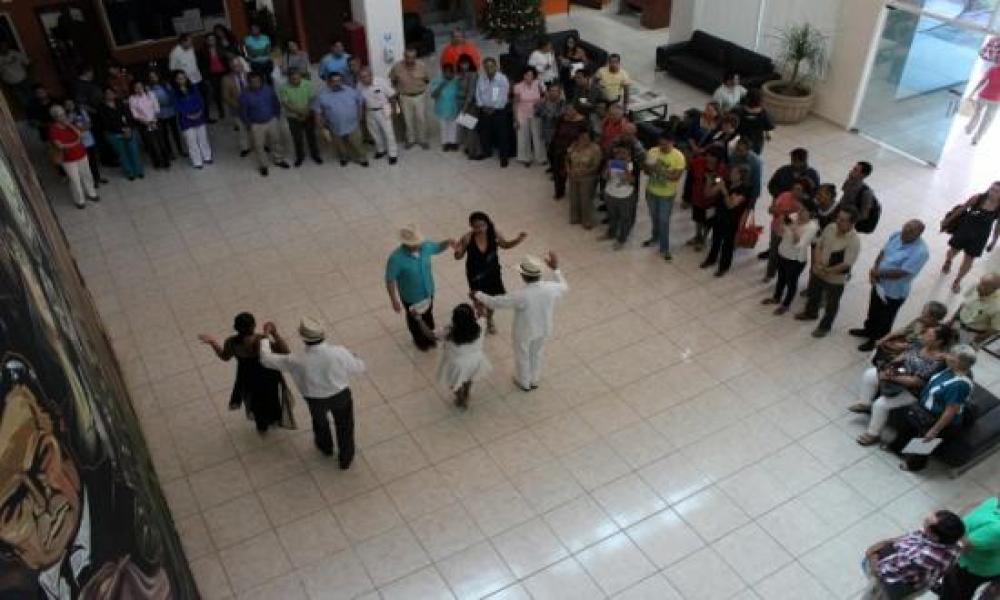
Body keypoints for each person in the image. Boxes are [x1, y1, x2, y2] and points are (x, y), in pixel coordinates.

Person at [259, 318, 364, 469]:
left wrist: (266, 336)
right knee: (345, 426)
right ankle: (346, 458)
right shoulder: (339, 352)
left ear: (303, 338)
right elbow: (359, 367)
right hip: (341, 396)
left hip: (315, 400)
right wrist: (355, 356)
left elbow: (266, 359)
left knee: (320, 423)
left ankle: (325, 447)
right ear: (323, 334)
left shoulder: (296, 359)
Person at [474, 252, 568, 392]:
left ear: (523, 276)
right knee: (537, 354)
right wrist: (556, 269)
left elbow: (496, 302)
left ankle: (523, 382)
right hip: (544, 328)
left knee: (522, 355)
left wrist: (478, 295)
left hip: (524, 331)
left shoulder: (521, 295)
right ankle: (534, 380)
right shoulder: (550, 288)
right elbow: (564, 286)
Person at [849, 324, 952, 446]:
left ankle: (873, 434)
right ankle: (865, 403)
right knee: (870, 374)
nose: (924, 336)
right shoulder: (919, 344)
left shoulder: (938, 361)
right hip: (899, 375)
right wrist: (890, 367)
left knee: (880, 404)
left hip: (912, 390)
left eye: (929, 335)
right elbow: (903, 356)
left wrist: (891, 377)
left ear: (939, 342)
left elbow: (916, 382)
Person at [197, 312, 293, 433]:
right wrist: (273, 333)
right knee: (271, 396)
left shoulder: (231, 342)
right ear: (253, 326)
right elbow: (286, 352)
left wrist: (213, 342)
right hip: (268, 375)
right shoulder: (261, 340)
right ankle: (274, 417)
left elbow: (224, 357)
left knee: (255, 400)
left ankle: (261, 424)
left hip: (247, 376)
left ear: (236, 328)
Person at [887, 346, 976, 471]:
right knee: (908, 427)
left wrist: (935, 430)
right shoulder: (950, 368)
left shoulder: (960, 385)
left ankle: (913, 465)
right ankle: (897, 448)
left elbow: (950, 410)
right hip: (923, 408)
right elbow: (944, 357)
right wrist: (943, 356)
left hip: (938, 418)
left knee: (925, 440)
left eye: (951, 356)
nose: (947, 356)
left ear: (959, 362)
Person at [849, 220, 930, 352]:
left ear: (918, 234)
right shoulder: (897, 235)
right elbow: (883, 252)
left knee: (884, 319)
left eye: (910, 231)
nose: (905, 233)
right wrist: (875, 268)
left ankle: (876, 341)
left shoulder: (921, 252)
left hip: (894, 292)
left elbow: (901, 273)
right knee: (873, 309)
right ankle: (868, 330)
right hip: (879, 283)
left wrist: (877, 273)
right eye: (905, 228)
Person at [861, 511, 966, 600]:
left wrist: (872, 553)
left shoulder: (923, 558)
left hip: (894, 582)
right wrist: (888, 542)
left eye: (927, 522)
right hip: (916, 575)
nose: (924, 520)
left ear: (934, 536)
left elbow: (882, 571)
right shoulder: (951, 542)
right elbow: (910, 537)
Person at [453, 211, 527, 334]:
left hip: (493, 272)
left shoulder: (494, 233)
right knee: (478, 299)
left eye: (482, 225)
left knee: (492, 299)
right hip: (475, 275)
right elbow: (458, 257)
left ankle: (490, 319)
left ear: (487, 223)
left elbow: (505, 245)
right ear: (471, 226)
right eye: (476, 226)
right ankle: (481, 320)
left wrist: (518, 240)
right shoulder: (467, 238)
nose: (480, 229)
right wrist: (457, 250)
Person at [385, 225, 456, 351]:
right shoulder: (395, 259)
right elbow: (390, 280)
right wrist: (394, 300)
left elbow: (437, 247)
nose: (418, 245)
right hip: (411, 296)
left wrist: (448, 242)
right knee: (415, 320)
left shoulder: (426, 246)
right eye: (413, 243)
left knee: (428, 314)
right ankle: (419, 340)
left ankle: (430, 336)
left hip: (428, 291)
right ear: (405, 243)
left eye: (418, 242)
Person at [795, 206, 862, 337]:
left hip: (835, 279)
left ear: (852, 223)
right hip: (818, 271)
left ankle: (824, 327)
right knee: (813, 294)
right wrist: (817, 263)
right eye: (838, 218)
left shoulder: (854, 241)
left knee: (831, 304)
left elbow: (846, 264)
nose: (838, 221)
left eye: (843, 220)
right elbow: (819, 245)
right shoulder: (831, 227)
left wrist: (827, 270)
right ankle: (810, 313)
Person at [412, 304, 492, 408]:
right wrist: (479, 303)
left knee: (456, 382)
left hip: (457, 364)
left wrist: (418, 318)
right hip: (475, 360)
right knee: (469, 377)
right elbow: (483, 314)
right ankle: (466, 394)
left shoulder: (449, 332)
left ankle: (460, 399)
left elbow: (430, 335)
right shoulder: (480, 325)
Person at [938, 495, 1000, 600]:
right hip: (980, 557)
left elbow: (962, 546)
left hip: (974, 567)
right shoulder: (994, 501)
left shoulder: (996, 529)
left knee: (957, 590)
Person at [943, 182, 1000, 293]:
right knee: (952, 251)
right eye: (991, 189)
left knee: (969, 260)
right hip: (964, 231)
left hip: (980, 237)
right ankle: (948, 261)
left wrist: (993, 241)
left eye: (996, 191)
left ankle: (958, 280)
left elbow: (998, 226)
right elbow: (962, 208)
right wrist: (948, 220)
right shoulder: (978, 198)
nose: (992, 193)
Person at [763, 203, 819, 314]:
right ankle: (776, 298)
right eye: (800, 209)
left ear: (811, 213)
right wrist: (780, 221)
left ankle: (786, 304)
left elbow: (798, 244)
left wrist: (793, 227)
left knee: (791, 283)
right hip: (782, 254)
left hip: (795, 260)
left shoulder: (812, 227)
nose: (799, 212)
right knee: (781, 278)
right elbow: (779, 233)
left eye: (803, 210)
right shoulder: (793, 216)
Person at [643, 132, 687, 262]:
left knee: (664, 221)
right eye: (660, 144)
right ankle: (655, 237)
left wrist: (659, 170)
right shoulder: (653, 151)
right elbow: (646, 171)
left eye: (665, 145)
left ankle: (664, 248)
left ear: (672, 142)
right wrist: (650, 168)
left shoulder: (678, 157)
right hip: (651, 191)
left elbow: (675, 177)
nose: (662, 147)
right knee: (654, 217)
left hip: (667, 195)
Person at [700, 164, 751, 277]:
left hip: (731, 221)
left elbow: (730, 205)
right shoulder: (726, 183)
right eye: (732, 171)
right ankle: (711, 259)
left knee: (727, 245)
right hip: (719, 217)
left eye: (734, 173)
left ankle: (724, 267)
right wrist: (709, 182)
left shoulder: (744, 190)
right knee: (715, 240)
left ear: (741, 176)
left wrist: (723, 190)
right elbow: (707, 194)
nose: (731, 174)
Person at [48, 105, 99, 209]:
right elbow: (60, 145)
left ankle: (91, 193)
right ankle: (80, 200)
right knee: (75, 179)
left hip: (81, 154)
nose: (63, 117)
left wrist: (70, 125)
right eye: (60, 115)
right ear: (55, 118)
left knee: (86, 174)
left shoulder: (69, 124)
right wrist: (75, 143)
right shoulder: (53, 129)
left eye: (63, 114)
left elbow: (80, 134)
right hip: (68, 159)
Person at [313, 71, 368, 167]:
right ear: (328, 82)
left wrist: (360, 115)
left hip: (353, 124)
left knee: (357, 143)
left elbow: (360, 101)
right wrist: (321, 127)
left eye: (339, 80)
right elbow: (317, 111)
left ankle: (362, 158)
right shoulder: (322, 95)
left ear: (342, 81)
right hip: (335, 126)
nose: (337, 83)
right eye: (334, 81)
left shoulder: (351, 90)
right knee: (340, 145)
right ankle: (344, 157)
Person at [239, 72, 289, 177]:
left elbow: (276, 103)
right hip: (256, 125)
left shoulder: (268, 90)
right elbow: (243, 112)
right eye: (252, 82)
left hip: (271, 121)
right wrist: (248, 124)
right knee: (259, 146)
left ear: (261, 81)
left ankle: (278, 159)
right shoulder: (244, 95)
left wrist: (276, 116)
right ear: (248, 83)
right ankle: (263, 165)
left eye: (258, 81)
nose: (255, 84)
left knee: (276, 141)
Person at [763, 178, 813, 282]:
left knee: (786, 257)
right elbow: (771, 210)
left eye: (799, 189)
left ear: (804, 192)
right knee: (773, 253)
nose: (795, 191)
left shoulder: (806, 204)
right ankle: (770, 274)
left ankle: (784, 276)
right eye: (794, 188)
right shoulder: (785, 195)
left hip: (792, 236)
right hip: (777, 229)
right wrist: (787, 211)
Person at [875, 300, 949, 365]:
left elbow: (914, 347)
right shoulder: (919, 321)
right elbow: (902, 331)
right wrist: (883, 339)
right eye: (923, 312)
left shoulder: (933, 333)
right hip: (900, 344)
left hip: (907, 354)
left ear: (933, 318)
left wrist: (893, 345)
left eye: (924, 314)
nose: (921, 315)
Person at [97, 87, 144, 181]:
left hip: (129, 130)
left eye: (111, 93)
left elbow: (129, 116)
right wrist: (122, 130)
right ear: (104, 95)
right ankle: (129, 172)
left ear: (115, 94)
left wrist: (128, 128)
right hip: (114, 134)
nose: (110, 95)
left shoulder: (121, 103)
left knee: (134, 151)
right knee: (122, 153)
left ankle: (138, 171)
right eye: (107, 93)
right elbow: (105, 123)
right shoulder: (101, 108)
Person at [686, 146, 728, 251]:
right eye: (708, 155)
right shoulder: (698, 163)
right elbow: (690, 179)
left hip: (712, 202)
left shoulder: (721, 169)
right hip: (697, 198)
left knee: (708, 222)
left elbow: (719, 182)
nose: (709, 158)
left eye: (713, 156)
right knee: (697, 218)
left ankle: (703, 239)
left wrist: (714, 180)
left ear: (718, 158)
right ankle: (697, 236)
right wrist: (686, 197)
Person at [355, 66, 399, 163]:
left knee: (388, 133)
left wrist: (395, 110)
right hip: (369, 111)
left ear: (371, 75)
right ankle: (381, 150)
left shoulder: (381, 82)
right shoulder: (359, 85)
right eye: (361, 77)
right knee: (374, 133)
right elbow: (361, 101)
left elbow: (392, 95)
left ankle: (393, 154)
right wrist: (362, 115)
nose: (364, 79)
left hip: (383, 110)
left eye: (366, 76)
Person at [278, 68, 321, 167]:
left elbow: (312, 99)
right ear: (288, 78)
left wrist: (306, 112)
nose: (295, 80)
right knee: (297, 138)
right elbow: (286, 103)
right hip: (293, 117)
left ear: (301, 77)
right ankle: (300, 156)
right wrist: (300, 112)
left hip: (308, 114)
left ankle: (315, 155)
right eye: (293, 79)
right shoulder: (283, 87)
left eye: (297, 78)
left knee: (311, 136)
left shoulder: (308, 84)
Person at [473, 58, 512, 167]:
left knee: (502, 135)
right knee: (485, 133)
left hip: (499, 111)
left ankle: (504, 157)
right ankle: (487, 152)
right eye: (486, 66)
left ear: (496, 67)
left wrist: (493, 108)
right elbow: (478, 93)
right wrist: (482, 106)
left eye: (491, 66)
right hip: (484, 110)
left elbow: (503, 96)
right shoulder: (481, 78)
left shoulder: (502, 79)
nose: (489, 68)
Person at [390, 48, 431, 149]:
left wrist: (418, 87)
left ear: (415, 57)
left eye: (413, 57)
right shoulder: (397, 67)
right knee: (408, 119)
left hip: (419, 96)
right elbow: (393, 80)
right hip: (405, 97)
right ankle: (411, 140)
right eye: (408, 57)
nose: (410, 60)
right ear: (404, 57)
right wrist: (397, 90)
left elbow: (427, 79)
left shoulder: (422, 66)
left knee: (421, 119)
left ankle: (423, 140)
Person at [171, 71, 213, 169]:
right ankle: (197, 161)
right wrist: (188, 115)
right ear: (176, 80)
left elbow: (201, 100)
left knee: (203, 138)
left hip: (199, 116)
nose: (182, 80)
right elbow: (177, 106)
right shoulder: (174, 93)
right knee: (191, 141)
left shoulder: (193, 87)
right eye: (179, 78)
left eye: (184, 77)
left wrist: (199, 112)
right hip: (186, 120)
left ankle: (207, 157)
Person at [549, 102, 590, 200]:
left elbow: (586, 137)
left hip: (575, 150)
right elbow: (556, 132)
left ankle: (577, 194)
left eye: (571, 110)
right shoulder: (562, 119)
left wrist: (577, 148)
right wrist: (552, 146)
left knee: (574, 172)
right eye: (567, 110)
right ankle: (559, 191)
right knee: (558, 172)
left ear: (576, 110)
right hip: (559, 149)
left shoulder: (583, 121)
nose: (568, 112)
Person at [64, 98, 106, 187]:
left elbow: (89, 123)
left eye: (71, 103)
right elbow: (68, 129)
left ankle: (97, 178)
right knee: (85, 163)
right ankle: (91, 181)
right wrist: (78, 129)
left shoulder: (81, 112)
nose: (70, 106)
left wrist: (81, 128)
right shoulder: (66, 117)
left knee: (93, 160)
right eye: (67, 104)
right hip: (78, 142)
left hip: (88, 139)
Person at [127, 81, 170, 169]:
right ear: (133, 89)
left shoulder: (150, 94)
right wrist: (145, 122)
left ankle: (166, 161)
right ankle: (156, 162)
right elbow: (134, 113)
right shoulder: (132, 98)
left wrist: (154, 120)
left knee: (161, 142)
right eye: (136, 87)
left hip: (155, 120)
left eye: (140, 86)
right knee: (151, 144)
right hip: (143, 123)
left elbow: (156, 107)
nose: (139, 89)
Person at [603, 143, 638, 249]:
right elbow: (605, 177)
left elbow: (633, 181)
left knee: (625, 218)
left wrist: (626, 169)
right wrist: (608, 169)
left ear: (629, 155)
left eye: (624, 153)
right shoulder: (611, 163)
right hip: (610, 193)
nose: (621, 155)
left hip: (625, 196)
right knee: (612, 216)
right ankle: (611, 233)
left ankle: (622, 239)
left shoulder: (632, 165)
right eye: (618, 153)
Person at [566, 129, 602, 228]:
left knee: (586, 199)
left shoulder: (595, 149)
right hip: (573, 175)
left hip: (588, 177)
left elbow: (596, 165)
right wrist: (568, 170)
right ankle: (575, 217)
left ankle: (587, 220)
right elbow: (567, 159)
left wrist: (586, 172)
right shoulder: (573, 146)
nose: (583, 139)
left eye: (586, 137)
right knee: (574, 197)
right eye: (581, 137)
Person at [950, 273, 1000, 345]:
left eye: (984, 286)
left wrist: (979, 338)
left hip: (971, 334)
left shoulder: (997, 306)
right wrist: (952, 319)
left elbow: (995, 328)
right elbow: (963, 304)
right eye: (981, 282)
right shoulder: (975, 287)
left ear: (994, 289)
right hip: (957, 324)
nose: (979, 286)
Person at [168, 34, 208, 119]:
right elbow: (172, 69)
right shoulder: (175, 53)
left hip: (197, 78)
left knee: (202, 98)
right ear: (183, 42)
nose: (191, 43)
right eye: (189, 41)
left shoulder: (191, 48)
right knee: (191, 100)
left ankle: (205, 116)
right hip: (186, 82)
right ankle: (193, 117)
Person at [513, 67, 546, 166]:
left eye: (531, 75)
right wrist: (516, 119)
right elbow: (515, 103)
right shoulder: (518, 86)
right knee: (523, 137)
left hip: (536, 113)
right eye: (527, 75)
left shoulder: (538, 83)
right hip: (522, 114)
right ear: (523, 75)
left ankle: (541, 158)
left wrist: (541, 101)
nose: (529, 77)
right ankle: (525, 158)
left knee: (538, 136)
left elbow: (545, 95)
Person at [221, 57, 253, 158]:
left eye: (238, 65)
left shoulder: (249, 75)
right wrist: (237, 105)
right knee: (242, 129)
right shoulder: (226, 79)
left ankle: (260, 144)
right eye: (234, 66)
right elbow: (225, 96)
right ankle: (245, 148)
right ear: (231, 67)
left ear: (242, 65)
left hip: (252, 107)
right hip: (237, 108)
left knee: (255, 127)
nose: (237, 67)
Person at [147, 70, 183, 160]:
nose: (153, 78)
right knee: (165, 134)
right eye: (151, 77)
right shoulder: (149, 88)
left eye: (154, 76)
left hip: (171, 111)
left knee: (175, 132)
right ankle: (170, 153)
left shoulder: (166, 84)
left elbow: (172, 94)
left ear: (158, 76)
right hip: (160, 114)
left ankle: (180, 150)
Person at [965, 62, 1000, 145]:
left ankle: (969, 128)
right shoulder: (993, 69)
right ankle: (976, 139)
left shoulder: (993, 69)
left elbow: (982, 81)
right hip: (996, 100)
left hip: (984, 96)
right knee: (987, 120)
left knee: (976, 113)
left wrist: (972, 92)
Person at [198, 33, 230, 119]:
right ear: (206, 41)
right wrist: (205, 75)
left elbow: (227, 59)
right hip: (212, 74)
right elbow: (202, 64)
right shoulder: (203, 51)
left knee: (227, 90)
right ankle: (221, 111)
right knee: (217, 93)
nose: (211, 41)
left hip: (224, 72)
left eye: (213, 39)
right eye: (209, 39)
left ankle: (231, 109)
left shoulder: (221, 47)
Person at [733, 89, 774, 155]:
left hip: (742, 139)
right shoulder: (764, 114)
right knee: (754, 155)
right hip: (756, 141)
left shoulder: (739, 111)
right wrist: (768, 135)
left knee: (739, 154)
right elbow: (769, 129)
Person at [456, 54, 481, 157]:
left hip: (469, 104)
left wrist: (465, 108)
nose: (464, 65)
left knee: (471, 128)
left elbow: (471, 93)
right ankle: (469, 148)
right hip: (460, 103)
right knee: (465, 128)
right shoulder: (460, 75)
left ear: (470, 63)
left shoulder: (473, 74)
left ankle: (475, 151)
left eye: (466, 63)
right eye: (462, 63)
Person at [536, 83, 566, 167]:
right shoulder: (543, 102)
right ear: (548, 92)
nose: (553, 92)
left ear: (559, 93)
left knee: (559, 150)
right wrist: (541, 105)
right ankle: (552, 165)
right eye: (551, 90)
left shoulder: (562, 103)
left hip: (559, 130)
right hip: (547, 130)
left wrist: (548, 114)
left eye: (555, 91)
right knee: (549, 149)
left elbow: (560, 115)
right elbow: (537, 112)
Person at [839, 161, 877, 226]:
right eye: (853, 168)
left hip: (849, 222)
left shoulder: (866, 193)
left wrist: (848, 220)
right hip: (842, 213)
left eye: (855, 170)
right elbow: (844, 191)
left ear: (863, 175)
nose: (851, 171)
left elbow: (864, 215)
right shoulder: (850, 181)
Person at [0, 39, 31, 110]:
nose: (3, 47)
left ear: (7, 46)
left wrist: (29, 74)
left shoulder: (15, 54)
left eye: (5, 45)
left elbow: (27, 62)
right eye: (1, 46)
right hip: (12, 84)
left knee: (32, 96)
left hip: (24, 79)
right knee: (23, 101)